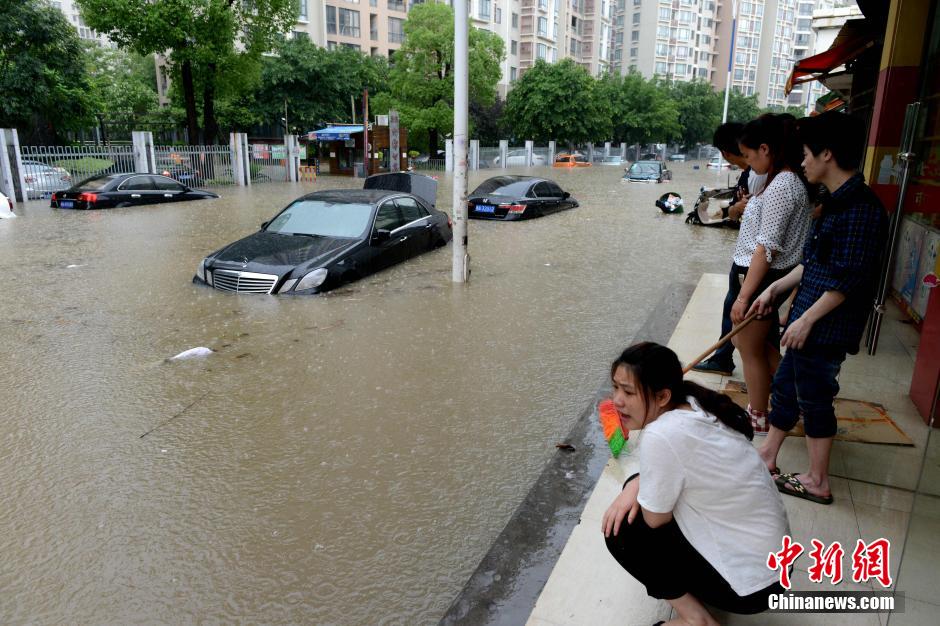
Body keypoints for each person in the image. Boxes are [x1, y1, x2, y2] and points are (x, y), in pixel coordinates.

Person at [751, 111, 889, 505]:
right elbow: (815, 263)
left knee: (814, 397)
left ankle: (817, 480)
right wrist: (775, 289)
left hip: (824, 327)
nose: (803, 161)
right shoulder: (834, 202)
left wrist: (807, 319)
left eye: (807, 154)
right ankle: (768, 454)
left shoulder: (861, 209)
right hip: (805, 320)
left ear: (827, 154)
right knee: (786, 389)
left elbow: (850, 277)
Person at [603, 342, 788, 625]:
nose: (617, 401)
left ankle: (695, 620)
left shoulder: (661, 435)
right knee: (645, 500)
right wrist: (638, 481)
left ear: (663, 395)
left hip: (752, 589)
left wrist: (633, 484)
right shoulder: (695, 401)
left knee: (623, 529)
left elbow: (654, 520)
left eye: (628, 392)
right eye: (615, 388)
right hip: (775, 570)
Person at [729, 115, 814, 434]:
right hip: (759, 276)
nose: (749, 164)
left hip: (760, 277)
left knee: (749, 349)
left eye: (750, 156)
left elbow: (766, 247)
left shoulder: (782, 185)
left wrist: (744, 295)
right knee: (755, 345)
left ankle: (759, 415)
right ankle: (796, 400)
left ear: (765, 149)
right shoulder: (782, 182)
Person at [693, 122, 768, 376]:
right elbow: (736, 212)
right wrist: (736, 209)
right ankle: (726, 358)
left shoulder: (774, 181)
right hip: (746, 254)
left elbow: (767, 242)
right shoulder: (752, 175)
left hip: (752, 258)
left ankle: (728, 361)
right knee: (745, 314)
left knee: (743, 315)